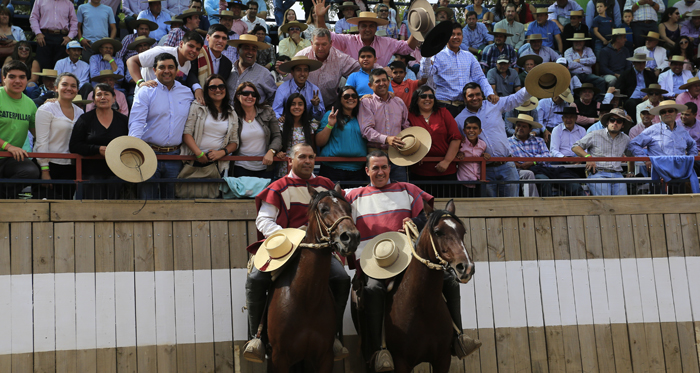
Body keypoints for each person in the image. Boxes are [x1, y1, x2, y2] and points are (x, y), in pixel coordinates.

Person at [345, 150, 479, 370]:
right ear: (367, 170)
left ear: (390, 168)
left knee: (450, 281)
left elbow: (429, 216)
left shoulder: (408, 190)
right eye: (375, 168)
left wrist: (415, 221)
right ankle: (379, 349)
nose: (380, 172)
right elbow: (335, 204)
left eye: (384, 167)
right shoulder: (354, 196)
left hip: (409, 257)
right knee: (372, 289)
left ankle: (458, 337)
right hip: (374, 262)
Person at [243, 142, 350, 363]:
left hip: (319, 251)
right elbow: (263, 220)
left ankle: (335, 337)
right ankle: (257, 338)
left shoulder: (326, 185)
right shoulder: (279, 186)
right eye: (302, 157)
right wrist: (289, 237)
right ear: (290, 161)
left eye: (311, 157)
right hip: (285, 248)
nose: (308, 161)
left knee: (341, 279)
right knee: (256, 278)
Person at [128, 53, 195, 199]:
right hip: (149, 154)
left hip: (175, 157)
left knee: (171, 202)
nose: (166, 71)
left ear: (177, 70)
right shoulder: (145, 91)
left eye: (171, 67)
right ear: (154, 70)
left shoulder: (187, 93)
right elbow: (137, 122)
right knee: (147, 201)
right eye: (162, 67)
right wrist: (134, 150)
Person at [455, 81, 531, 197]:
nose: (475, 98)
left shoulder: (494, 104)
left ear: (483, 95)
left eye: (478, 94)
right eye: (471, 95)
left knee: (511, 206)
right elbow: (458, 143)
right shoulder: (459, 119)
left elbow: (517, 98)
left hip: (507, 165)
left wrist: (533, 86)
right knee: (489, 209)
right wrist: (460, 153)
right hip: (484, 169)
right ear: (464, 99)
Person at [419, 23, 496, 118]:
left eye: (459, 34)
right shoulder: (437, 56)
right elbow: (425, 74)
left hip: (466, 106)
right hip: (444, 105)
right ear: (446, 37)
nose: (456, 37)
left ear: (462, 36)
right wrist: (426, 54)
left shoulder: (469, 56)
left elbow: (480, 77)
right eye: (452, 34)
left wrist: (489, 92)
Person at [313, 0, 419, 67]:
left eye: (371, 26)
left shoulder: (387, 42)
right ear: (358, 27)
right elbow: (326, 36)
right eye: (364, 26)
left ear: (376, 28)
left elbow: (408, 47)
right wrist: (320, 17)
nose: (367, 29)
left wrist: (417, 28)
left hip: (379, 84)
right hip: (353, 87)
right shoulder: (348, 40)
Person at [69, 83, 129, 199]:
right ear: (94, 100)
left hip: (116, 173)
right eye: (99, 95)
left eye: (106, 94)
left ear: (114, 98)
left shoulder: (123, 120)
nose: (102, 97)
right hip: (91, 174)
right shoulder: (85, 119)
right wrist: (97, 149)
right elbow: (74, 146)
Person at [34, 72, 84, 200]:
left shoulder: (80, 112)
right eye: (65, 84)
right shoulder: (46, 109)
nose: (69, 88)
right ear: (56, 88)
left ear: (77, 90)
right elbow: (41, 141)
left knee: (66, 209)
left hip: (70, 167)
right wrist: (45, 170)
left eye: (73, 86)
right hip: (49, 165)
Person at [180, 74, 239, 184]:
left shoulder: (231, 112)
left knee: (213, 196)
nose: (217, 90)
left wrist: (222, 152)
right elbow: (187, 133)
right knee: (188, 194)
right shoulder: (198, 106)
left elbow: (234, 142)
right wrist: (199, 154)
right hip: (194, 160)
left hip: (217, 163)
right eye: (213, 87)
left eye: (221, 87)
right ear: (206, 90)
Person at [406, 85, 462, 194]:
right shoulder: (409, 116)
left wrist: (446, 161)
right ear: (416, 99)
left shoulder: (444, 112)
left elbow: (455, 138)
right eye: (423, 96)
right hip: (419, 172)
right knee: (423, 208)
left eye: (431, 96)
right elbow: (406, 140)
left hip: (446, 170)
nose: (427, 99)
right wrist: (414, 154)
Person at [358, 69, 410, 182]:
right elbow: (366, 130)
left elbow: (406, 127)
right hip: (375, 157)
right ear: (370, 85)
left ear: (389, 81)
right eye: (377, 81)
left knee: (400, 193)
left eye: (384, 80)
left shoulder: (399, 102)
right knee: (376, 195)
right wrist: (386, 139)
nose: (382, 83)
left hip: (398, 157)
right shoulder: (366, 103)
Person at [295, 28, 363, 109]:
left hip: (330, 107)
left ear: (331, 43)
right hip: (303, 107)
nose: (320, 48)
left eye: (324, 44)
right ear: (311, 43)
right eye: (317, 44)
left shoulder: (340, 58)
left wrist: (380, 70)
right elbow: (288, 77)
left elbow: (361, 68)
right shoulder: (302, 56)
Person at [0, 60, 40, 197]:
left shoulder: (30, 104)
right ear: (3, 78)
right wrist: (8, 146)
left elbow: (37, 134)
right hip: (9, 150)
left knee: (31, 171)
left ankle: (4, 198)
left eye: (22, 77)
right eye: (12, 76)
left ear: (27, 80)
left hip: (10, 158)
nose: (17, 81)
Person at [572, 108, 632, 195]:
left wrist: (630, 172)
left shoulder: (626, 139)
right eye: (612, 120)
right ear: (607, 122)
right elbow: (575, 147)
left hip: (618, 174)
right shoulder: (595, 134)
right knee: (604, 203)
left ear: (622, 125)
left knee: (622, 203)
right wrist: (588, 157)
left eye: (619, 121)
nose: (615, 123)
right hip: (598, 173)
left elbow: (631, 154)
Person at [316, 86, 367, 182]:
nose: (350, 98)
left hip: (358, 169)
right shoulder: (331, 115)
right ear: (340, 99)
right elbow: (319, 142)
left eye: (354, 96)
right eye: (346, 96)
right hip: (332, 169)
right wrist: (330, 125)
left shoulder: (362, 116)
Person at [231, 82, 281, 178]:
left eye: (253, 94)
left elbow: (277, 136)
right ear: (238, 96)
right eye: (246, 93)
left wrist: (272, 151)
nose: (250, 97)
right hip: (240, 166)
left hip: (265, 166)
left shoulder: (267, 111)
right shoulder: (232, 115)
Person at [127, 30, 204, 90]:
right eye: (191, 46)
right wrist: (140, 83)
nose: (194, 51)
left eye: (197, 49)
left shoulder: (188, 64)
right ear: (181, 44)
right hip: (145, 98)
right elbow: (131, 61)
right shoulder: (162, 51)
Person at [629, 100, 698, 162]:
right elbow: (633, 144)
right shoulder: (652, 130)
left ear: (676, 113)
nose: (667, 114)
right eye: (663, 112)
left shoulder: (682, 131)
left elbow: (693, 145)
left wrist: (689, 160)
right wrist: (646, 160)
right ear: (660, 115)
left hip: (681, 170)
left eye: (670, 111)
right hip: (660, 171)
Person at [185, 24, 233, 105]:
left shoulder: (227, 63)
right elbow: (190, 72)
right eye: (217, 37)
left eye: (224, 38)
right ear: (207, 38)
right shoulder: (197, 53)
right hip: (193, 99)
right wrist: (197, 88)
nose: (220, 41)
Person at [224, 34, 276, 105]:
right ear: (238, 50)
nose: (250, 52)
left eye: (254, 49)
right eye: (246, 48)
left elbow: (274, 99)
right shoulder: (228, 70)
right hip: (228, 115)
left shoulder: (264, 74)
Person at [277, 93, 319, 177]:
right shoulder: (281, 125)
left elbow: (313, 147)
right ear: (288, 107)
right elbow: (277, 143)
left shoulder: (311, 125)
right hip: (286, 165)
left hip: (304, 164)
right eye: (293, 104)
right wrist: (278, 153)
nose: (296, 107)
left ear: (304, 108)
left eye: (300, 104)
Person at [29, 0, 78, 71]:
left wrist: (69, 37)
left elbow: (74, 22)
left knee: (61, 68)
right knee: (43, 66)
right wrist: (38, 33)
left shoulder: (68, 3)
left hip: (63, 39)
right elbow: (33, 18)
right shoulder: (39, 1)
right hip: (44, 37)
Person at [273, 57, 324, 121]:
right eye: (298, 70)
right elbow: (275, 111)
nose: (302, 74)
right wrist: (279, 118)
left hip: (307, 124)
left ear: (308, 73)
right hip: (287, 124)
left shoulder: (314, 90)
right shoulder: (283, 89)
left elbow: (320, 117)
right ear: (292, 72)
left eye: (305, 70)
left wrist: (316, 106)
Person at [618, 53, 657, 119]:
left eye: (643, 63)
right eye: (639, 63)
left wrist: (649, 95)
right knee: (631, 103)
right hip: (632, 98)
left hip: (647, 98)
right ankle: (634, 123)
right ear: (634, 63)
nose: (641, 65)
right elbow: (619, 89)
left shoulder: (650, 74)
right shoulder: (626, 74)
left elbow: (655, 87)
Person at [455, 116, 488, 196]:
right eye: (468, 128)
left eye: (475, 128)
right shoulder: (460, 144)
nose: (471, 130)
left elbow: (483, 156)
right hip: (463, 182)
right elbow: (452, 155)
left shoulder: (483, 145)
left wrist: (485, 155)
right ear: (464, 131)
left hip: (479, 182)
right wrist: (457, 154)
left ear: (480, 131)